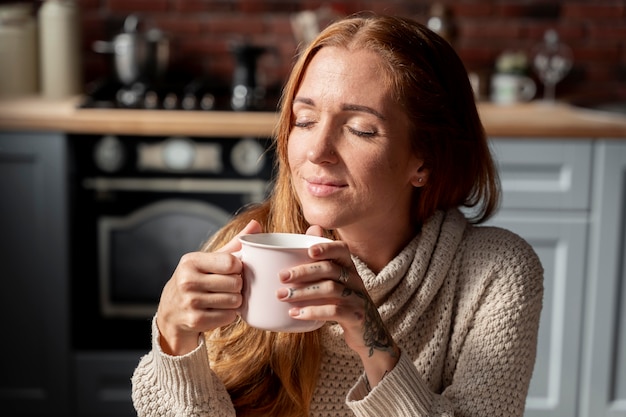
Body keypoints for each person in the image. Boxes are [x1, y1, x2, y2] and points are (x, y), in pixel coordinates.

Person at [131, 13, 544, 417]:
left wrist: (372, 340)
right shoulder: (243, 250)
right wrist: (175, 342)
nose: (316, 151)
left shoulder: (496, 272)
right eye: (305, 120)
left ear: (426, 160)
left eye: (361, 129)